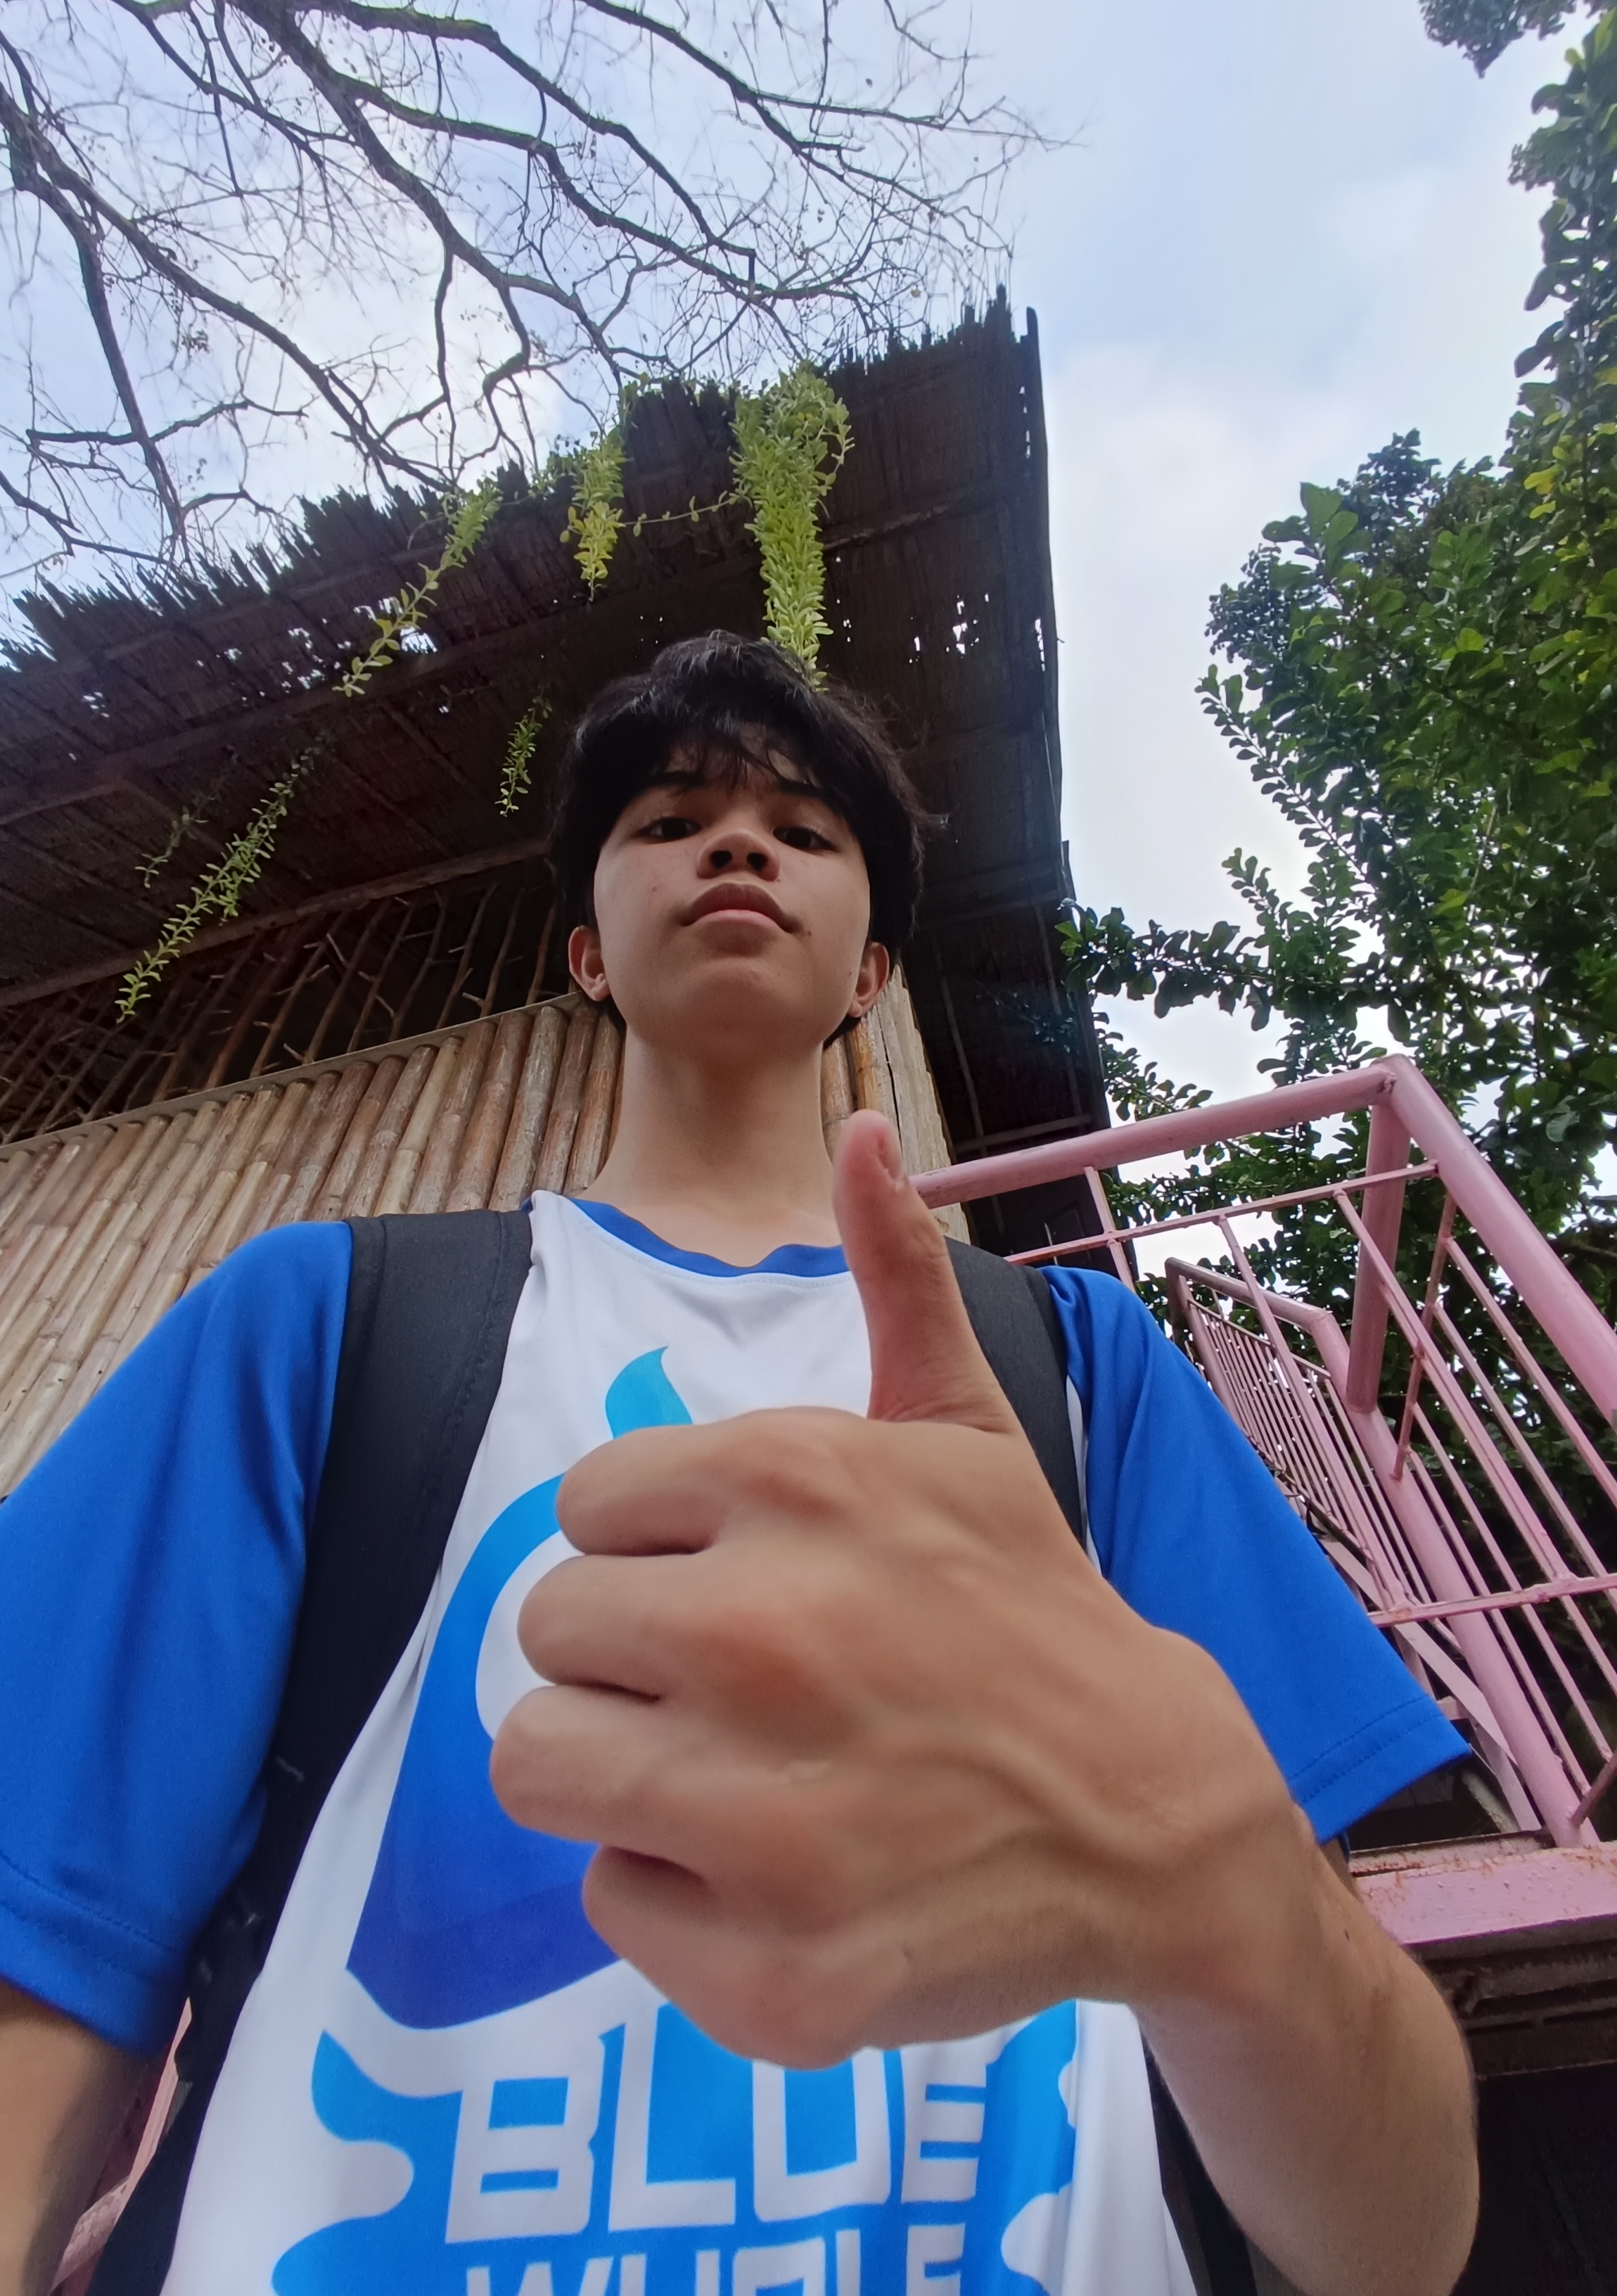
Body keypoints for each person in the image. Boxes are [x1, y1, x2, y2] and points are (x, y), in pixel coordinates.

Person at [0, 634, 1477, 2296]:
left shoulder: (1083, 1372)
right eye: (671, 820)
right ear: (586, 952)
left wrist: (1229, 1893)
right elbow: (47, 1964)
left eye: (803, 829)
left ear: (871, 974)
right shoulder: (320, 1325)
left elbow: (1399, 2241)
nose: (737, 847)